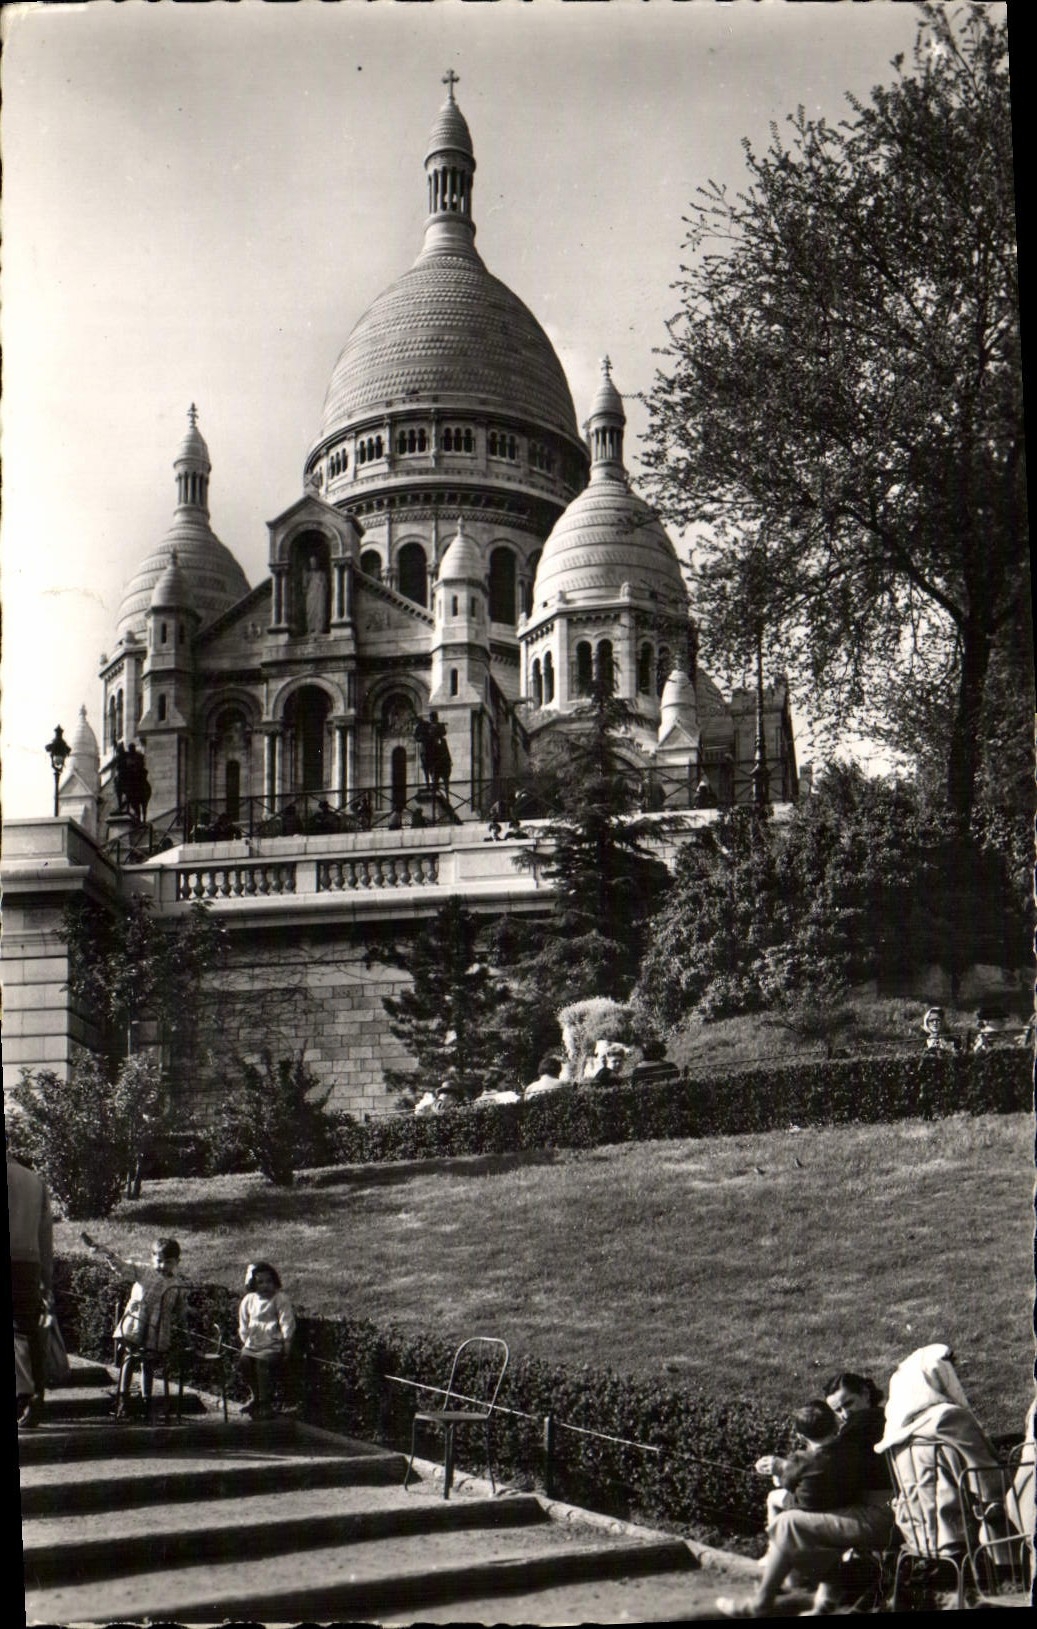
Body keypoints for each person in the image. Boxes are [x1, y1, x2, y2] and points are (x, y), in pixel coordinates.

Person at [717, 1372, 895, 1618]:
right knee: (797, 1517)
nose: (845, 1414)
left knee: (788, 1522)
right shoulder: (877, 1419)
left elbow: (825, 1472)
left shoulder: (861, 1427)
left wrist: (784, 1468)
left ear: (865, 1393)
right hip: (881, 1508)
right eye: (838, 1409)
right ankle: (820, 1597)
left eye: (849, 1403)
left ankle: (764, 1601)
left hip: (879, 1515)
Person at [874, 1342, 1001, 1555]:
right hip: (958, 1526)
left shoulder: (896, 1430)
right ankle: (1007, 1563)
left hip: (917, 1529)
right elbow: (984, 1475)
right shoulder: (947, 1417)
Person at [82, 1232, 184, 1421]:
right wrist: (107, 1253)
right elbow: (122, 1267)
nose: (163, 1266)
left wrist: (185, 1310)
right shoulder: (144, 1271)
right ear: (151, 1258)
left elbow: (179, 1307)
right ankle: (123, 1401)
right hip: (135, 1325)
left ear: (177, 1262)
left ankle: (146, 1401)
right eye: (159, 1261)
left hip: (156, 1330)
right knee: (129, 1359)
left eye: (169, 1262)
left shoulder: (177, 1284)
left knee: (148, 1363)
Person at [8, 1146, 54, 1430]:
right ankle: (34, 1400)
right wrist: (47, 1281)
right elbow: (45, 1235)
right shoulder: (34, 1180)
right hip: (28, 1264)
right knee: (28, 1331)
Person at [238, 1261, 296, 1419]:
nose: (265, 1286)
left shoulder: (279, 1299)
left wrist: (287, 1342)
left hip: (272, 1344)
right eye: (260, 1282)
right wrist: (246, 1340)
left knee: (262, 1365)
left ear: (275, 1282)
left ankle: (265, 1402)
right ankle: (255, 1396)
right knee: (244, 1361)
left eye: (269, 1281)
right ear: (253, 1284)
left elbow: (286, 1322)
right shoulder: (249, 1300)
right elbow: (243, 1322)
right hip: (254, 1343)